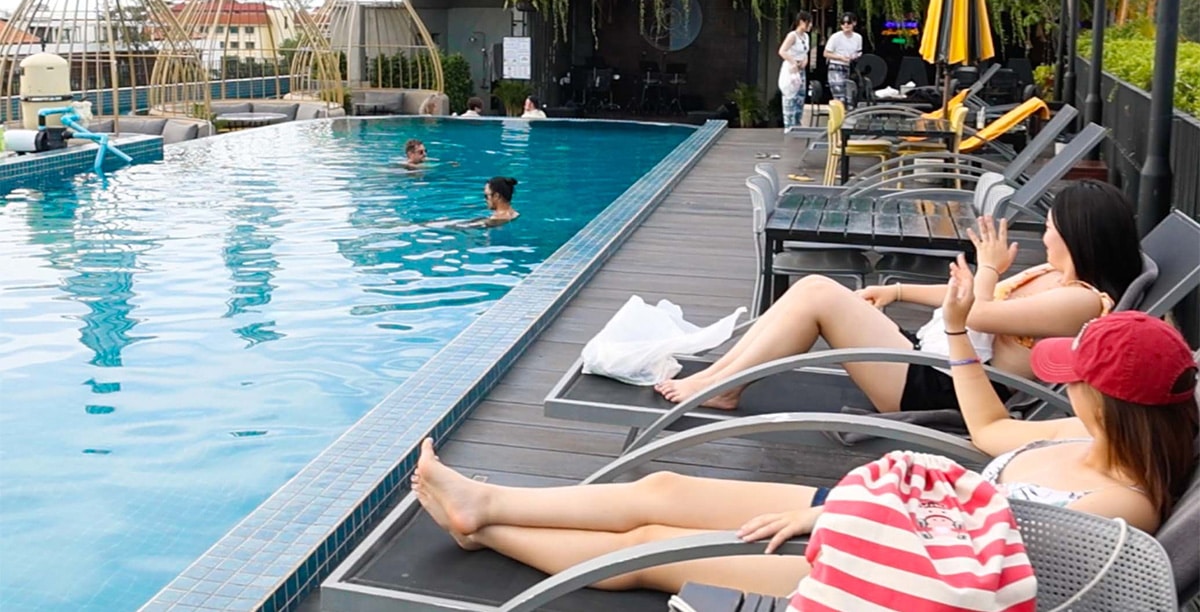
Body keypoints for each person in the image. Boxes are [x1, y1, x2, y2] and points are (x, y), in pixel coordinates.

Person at [412, 305, 1198, 596]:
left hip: (889, 572)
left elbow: (984, 560)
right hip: (877, 516)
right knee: (663, 487)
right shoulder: (1078, 434)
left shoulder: (1120, 509)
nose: (1063, 386)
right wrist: (957, 330)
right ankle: (489, 499)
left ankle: (485, 527)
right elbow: (989, 434)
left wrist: (835, 523)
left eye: (1074, 380)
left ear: (1108, 402)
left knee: (654, 548)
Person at [656, 179, 1142, 413]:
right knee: (812, 288)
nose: (1046, 234)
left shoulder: (1082, 301)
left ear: (1079, 235)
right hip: (937, 358)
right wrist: (897, 290)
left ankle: (725, 385)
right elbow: (966, 298)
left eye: (1052, 227)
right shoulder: (1050, 274)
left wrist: (991, 267)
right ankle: (721, 377)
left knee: (818, 294)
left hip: (951, 390)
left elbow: (980, 314)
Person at [777, 11, 813, 132]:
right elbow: (782, 51)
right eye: (809, 22)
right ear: (802, 22)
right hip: (791, 68)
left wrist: (805, 61)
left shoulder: (806, 36)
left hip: (801, 69)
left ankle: (797, 123)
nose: (810, 25)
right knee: (790, 96)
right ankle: (789, 125)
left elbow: (805, 52)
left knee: (800, 96)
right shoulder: (792, 35)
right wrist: (793, 62)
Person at [823, 14, 863, 104]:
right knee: (839, 96)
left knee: (849, 96)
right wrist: (840, 57)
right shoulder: (835, 37)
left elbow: (859, 52)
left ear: (854, 23)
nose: (846, 25)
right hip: (836, 66)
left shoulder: (858, 38)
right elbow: (826, 53)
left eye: (848, 22)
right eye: (843, 23)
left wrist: (854, 57)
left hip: (849, 67)